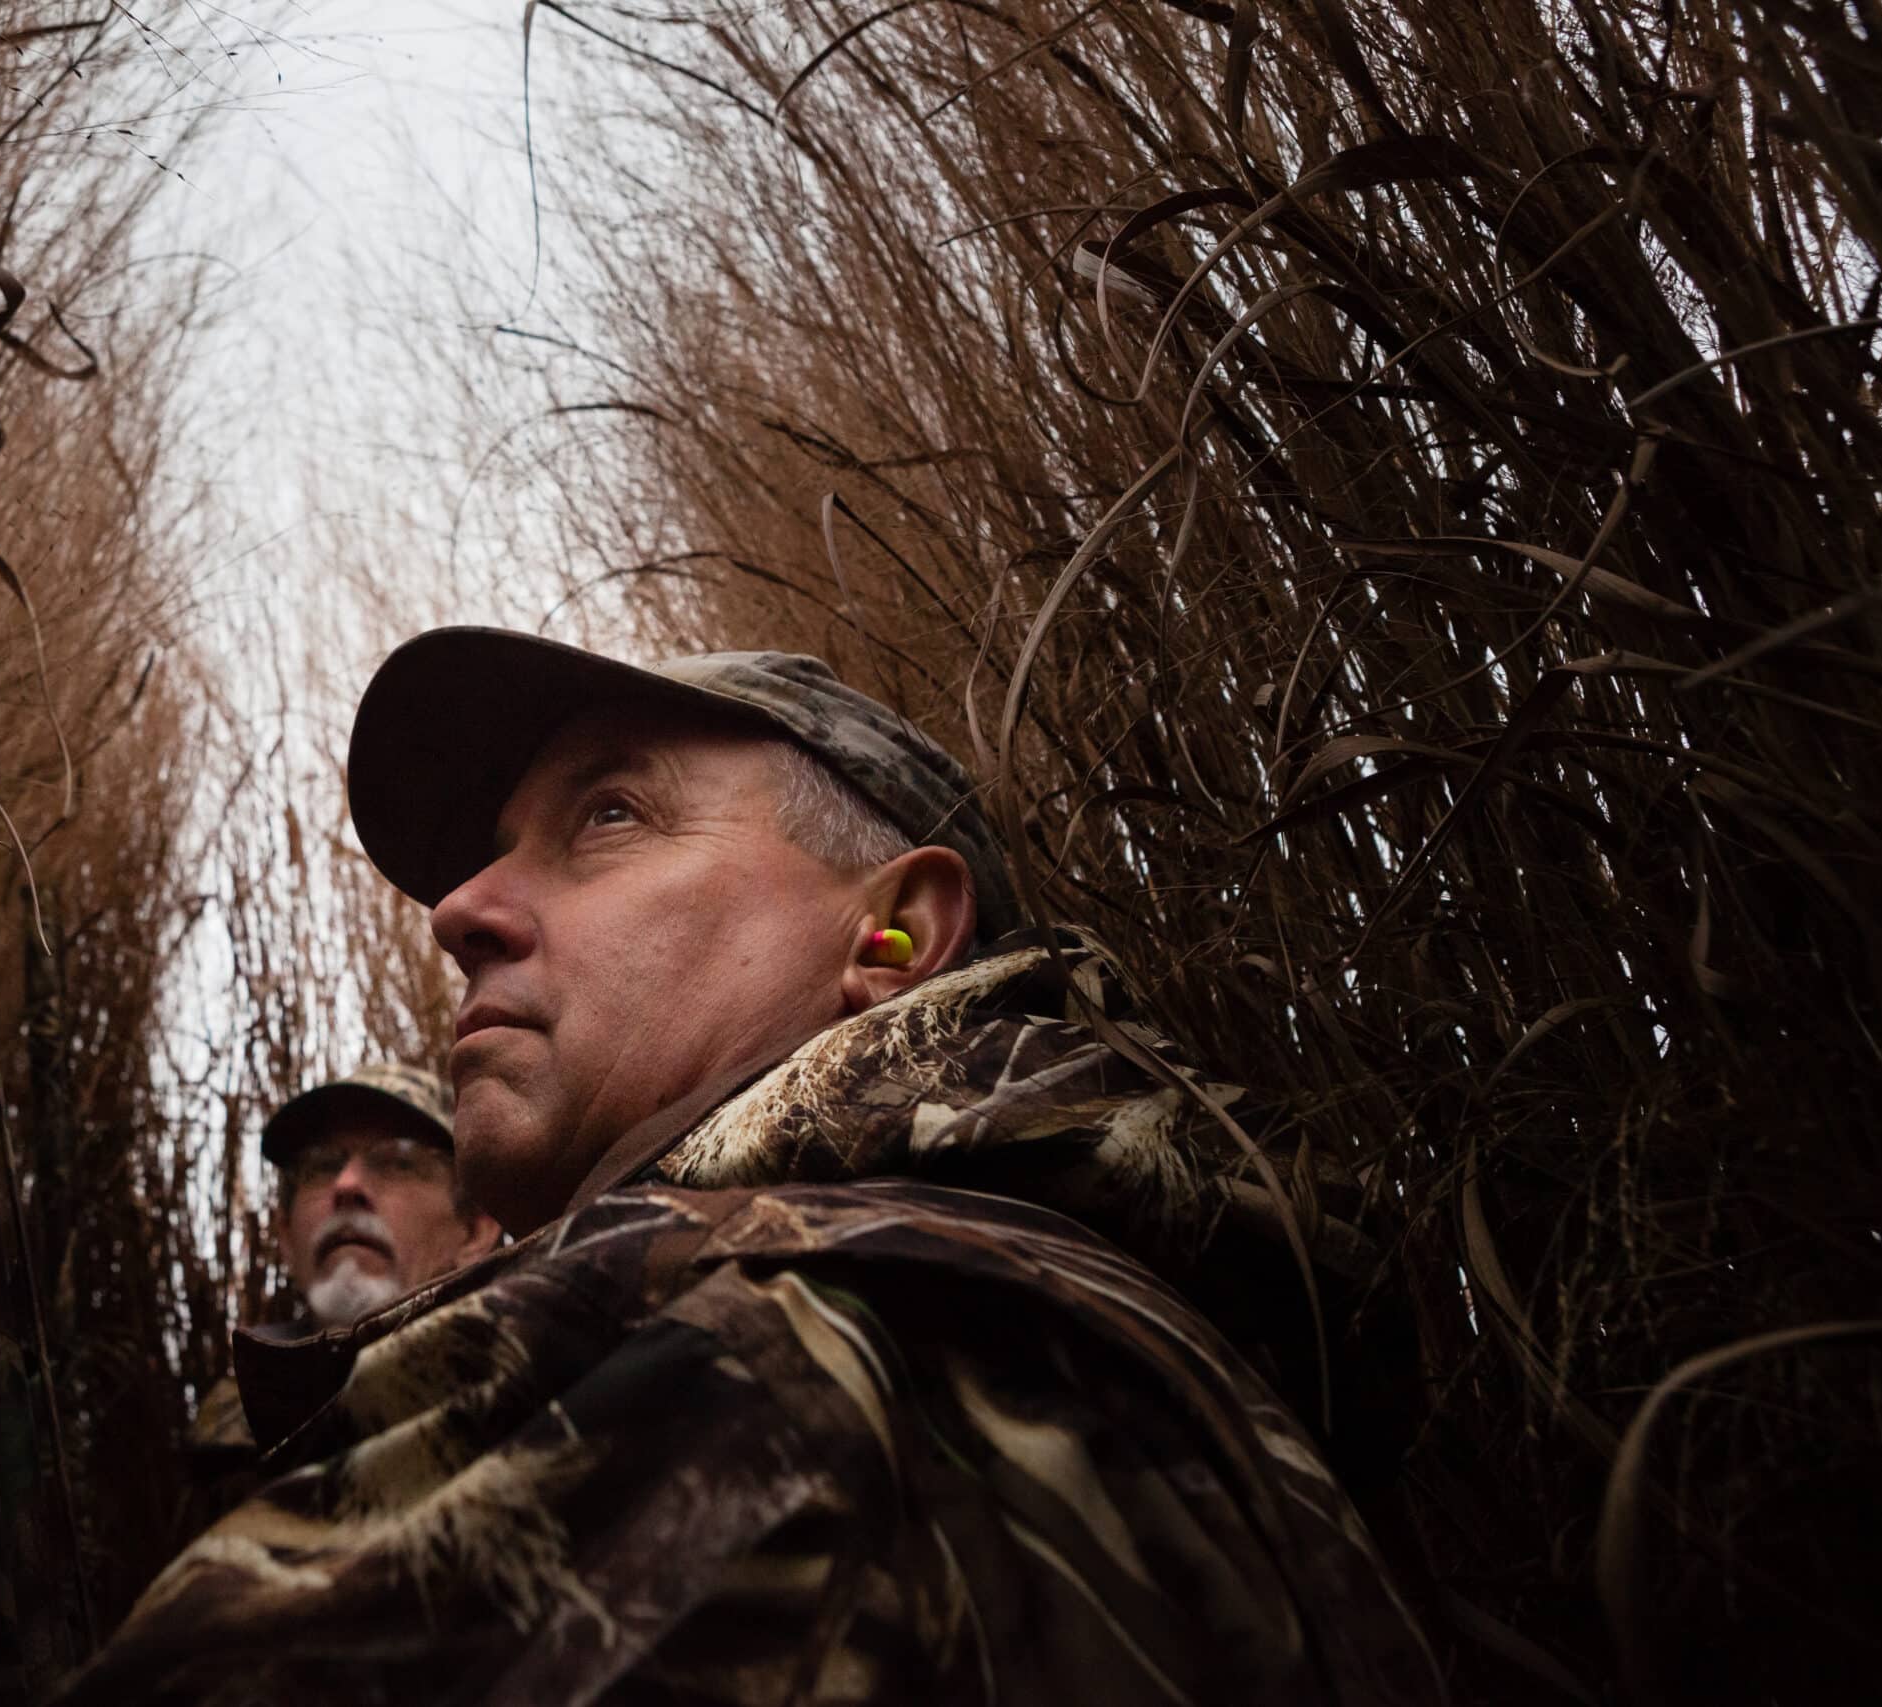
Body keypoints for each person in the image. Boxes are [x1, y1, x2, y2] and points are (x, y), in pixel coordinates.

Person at [74, 629, 1444, 1705]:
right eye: (496, 853)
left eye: (606, 816)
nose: (459, 913)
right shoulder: (1050, 1288)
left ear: (897, 937)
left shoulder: (785, 1329)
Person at [176, 1062, 503, 1544]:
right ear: (285, 1237)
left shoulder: (527, 1387)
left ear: (475, 1230)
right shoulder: (222, 1442)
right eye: (321, 1166)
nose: (346, 1185)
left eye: (397, 1160)